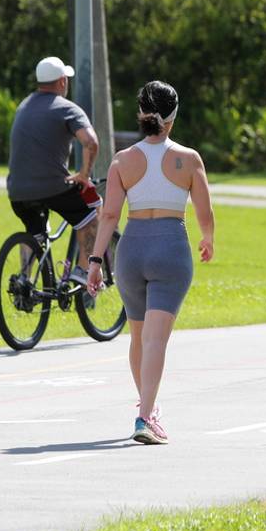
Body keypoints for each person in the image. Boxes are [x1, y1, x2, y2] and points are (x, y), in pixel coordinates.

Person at [86, 80, 214, 445]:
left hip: (131, 251)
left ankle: (149, 406)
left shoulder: (122, 160)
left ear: (141, 115)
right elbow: (204, 212)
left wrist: (95, 261)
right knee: (158, 340)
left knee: (139, 336)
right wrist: (208, 239)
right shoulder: (188, 159)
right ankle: (145, 417)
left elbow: (109, 215)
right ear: (172, 117)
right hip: (171, 248)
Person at [6, 56, 101, 286]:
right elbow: (91, 143)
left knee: (35, 234)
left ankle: (24, 281)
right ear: (61, 82)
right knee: (92, 216)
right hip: (53, 187)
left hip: (17, 191)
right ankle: (81, 270)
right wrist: (84, 175)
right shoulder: (66, 109)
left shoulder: (24, 106)